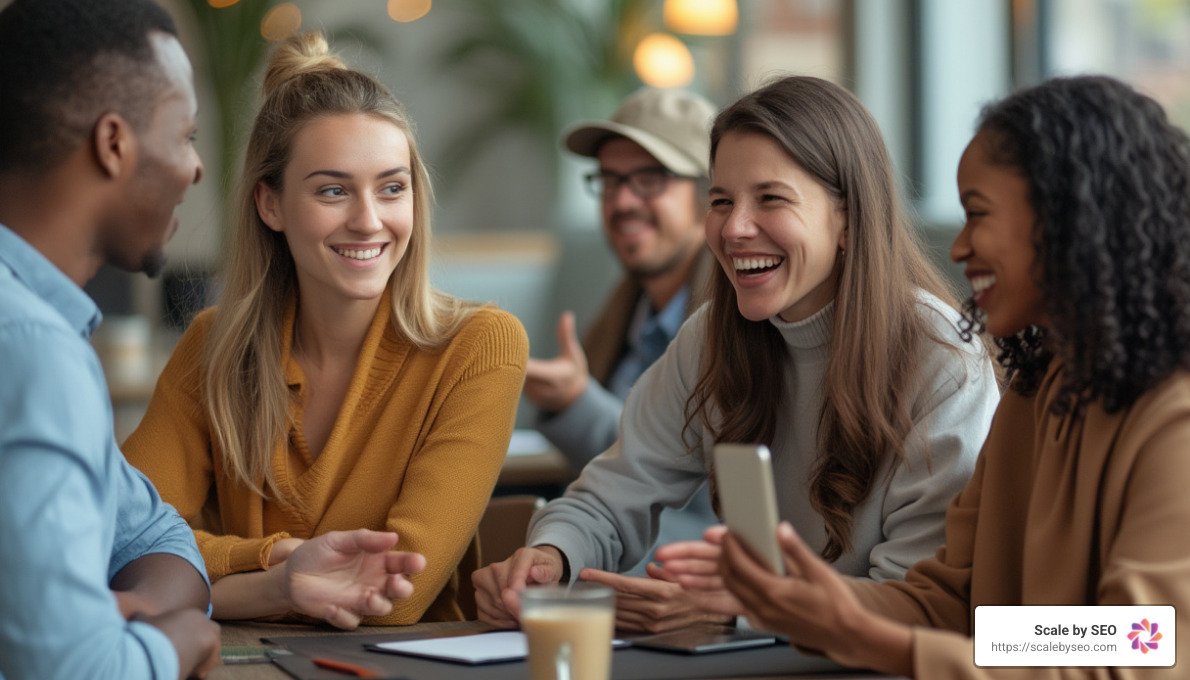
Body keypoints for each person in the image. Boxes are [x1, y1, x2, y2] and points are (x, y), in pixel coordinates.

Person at [662, 75, 1190, 679]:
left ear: (1070, 221)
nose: (959, 248)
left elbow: (1142, 644)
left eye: (978, 216)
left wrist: (879, 638)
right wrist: (795, 603)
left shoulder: (1174, 414)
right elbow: (951, 606)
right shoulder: (1037, 392)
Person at [474, 75, 1001, 634]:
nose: (733, 228)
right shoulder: (711, 338)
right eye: (721, 201)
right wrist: (552, 558)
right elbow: (611, 494)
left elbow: (919, 604)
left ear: (846, 217)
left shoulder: (942, 358)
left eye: (769, 198)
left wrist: (741, 613)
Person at [123, 32, 529, 627]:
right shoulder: (213, 347)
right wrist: (278, 573)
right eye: (333, 190)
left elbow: (396, 596)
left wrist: (219, 578)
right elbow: (120, 539)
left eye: (392, 188)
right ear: (271, 205)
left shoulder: (481, 346)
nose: (368, 221)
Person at [0, 0, 221, 678]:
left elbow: (155, 535)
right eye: (184, 136)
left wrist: (122, 615)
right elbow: (76, 671)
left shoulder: (41, 331)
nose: (196, 168)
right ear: (114, 143)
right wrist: (179, 639)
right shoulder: (34, 348)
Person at [526, 87, 719, 578]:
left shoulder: (736, 325)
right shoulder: (621, 312)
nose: (622, 201)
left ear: (708, 194)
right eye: (609, 181)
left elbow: (697, 487)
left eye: (649, 179)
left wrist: (576, 404)